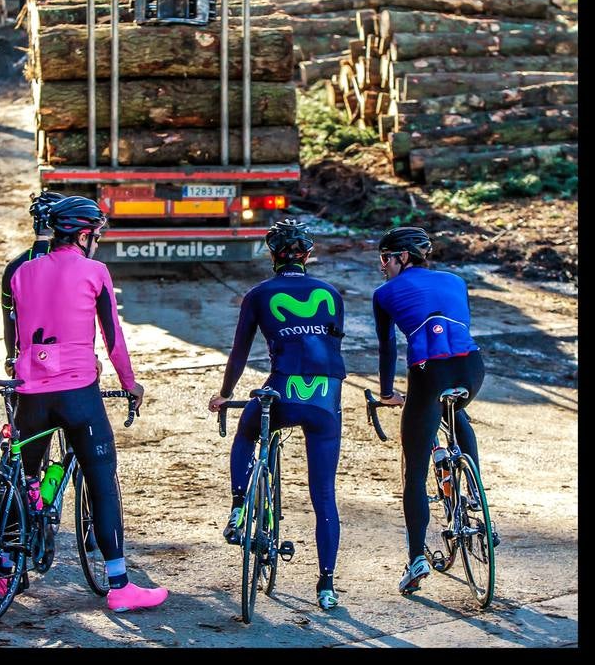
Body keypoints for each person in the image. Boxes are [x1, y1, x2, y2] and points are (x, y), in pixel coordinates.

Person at [0, 195, 168, 613]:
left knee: (22, 477)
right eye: (97, 236)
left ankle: (3, 566)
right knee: (101, 479)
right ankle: (120, 586)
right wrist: (130, 383)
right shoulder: (95, 271)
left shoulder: (21, 273)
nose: (98, 244)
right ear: (84, 235)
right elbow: (113, 338)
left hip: (29, 391)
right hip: (78, 392)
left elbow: (22, 332)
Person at [208, 218, 346, 611]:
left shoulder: (258, 294)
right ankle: (326, 585)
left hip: (280, 391)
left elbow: (238, 353)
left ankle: (238, 507)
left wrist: (224, 394)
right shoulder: (331, 294)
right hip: (324, 398)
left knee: (247, 432)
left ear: (271, 255)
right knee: (324, 494)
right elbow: (330, 345)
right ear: (308, 255)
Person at [372, 225, 496, 596]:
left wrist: (385, 392)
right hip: (472, 368)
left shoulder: (384, 294)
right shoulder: (456, 280)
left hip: (429, 372)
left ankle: (415, 559)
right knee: (455, 411)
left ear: (402, 257)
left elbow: (387, 349)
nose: (383, 266)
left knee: (414, 471)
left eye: (386, 258)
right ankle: (477, 500)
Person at [1, 191, 65, 376]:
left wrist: (10, 357)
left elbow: (8, 316)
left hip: (27, 362)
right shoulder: (72, 263)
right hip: (68, 363)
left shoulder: (14, 266)